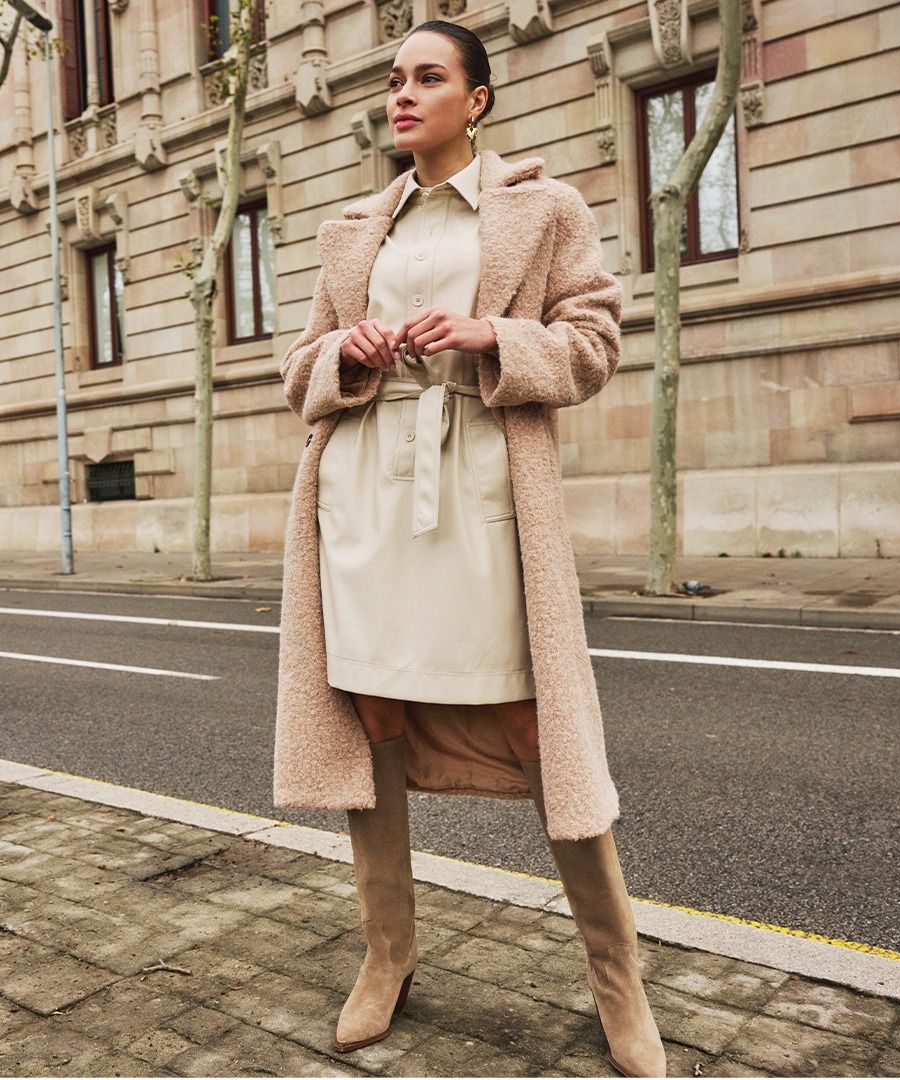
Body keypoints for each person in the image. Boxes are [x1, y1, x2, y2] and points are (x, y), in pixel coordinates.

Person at [275, 18, 667, 1078]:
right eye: (394, 79)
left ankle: (614, 980)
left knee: (540, 734)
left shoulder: (544, 209)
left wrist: (494, 336)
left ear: (477, 99)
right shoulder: (353, 225)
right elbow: (296, 366)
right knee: (374, 721)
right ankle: (387, 953)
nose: (402, 94)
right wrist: (343, 355)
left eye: (428, 78)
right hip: (359, 500)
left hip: (481, 493)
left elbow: (593, 343)